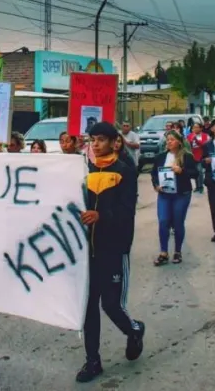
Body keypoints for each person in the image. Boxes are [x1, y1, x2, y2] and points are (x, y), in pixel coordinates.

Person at [76, 122, 145, 383]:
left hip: (114, 250)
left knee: (112, 306)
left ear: (115, 142)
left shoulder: (125, 172)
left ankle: (135, 330)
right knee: (89, 306)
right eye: (92, 139)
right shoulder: (85, 171)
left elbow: (128, 214)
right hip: (87, 254)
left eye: (101, 139)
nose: (95, 144)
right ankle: (93, 361)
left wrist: (101, 216)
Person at [151, 130, 198, 265]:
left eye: (171, 139)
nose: (168, 142)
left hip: (181, 194)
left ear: (178, 142)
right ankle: (163, 252)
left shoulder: (187, 156)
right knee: (163, 221)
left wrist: (181, 171)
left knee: (178, 223)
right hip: (164, 194)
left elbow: (195, 173)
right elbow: (154, 173)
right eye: (167, 140)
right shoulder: (160, 157)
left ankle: (177, 251)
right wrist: (156, 185)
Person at [186, 121, 209, 194]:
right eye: (194, 128)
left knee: (200, 171)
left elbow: (205, 145)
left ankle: (201, 186)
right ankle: (197, 187)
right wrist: (190, 141)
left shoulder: (205, 136)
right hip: (193, 156)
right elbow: (187, 146)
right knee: (195, 172)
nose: (195, 129)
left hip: (201, 156)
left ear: (201, 128)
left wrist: (196, 140)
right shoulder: (189, 136)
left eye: (197, 127)